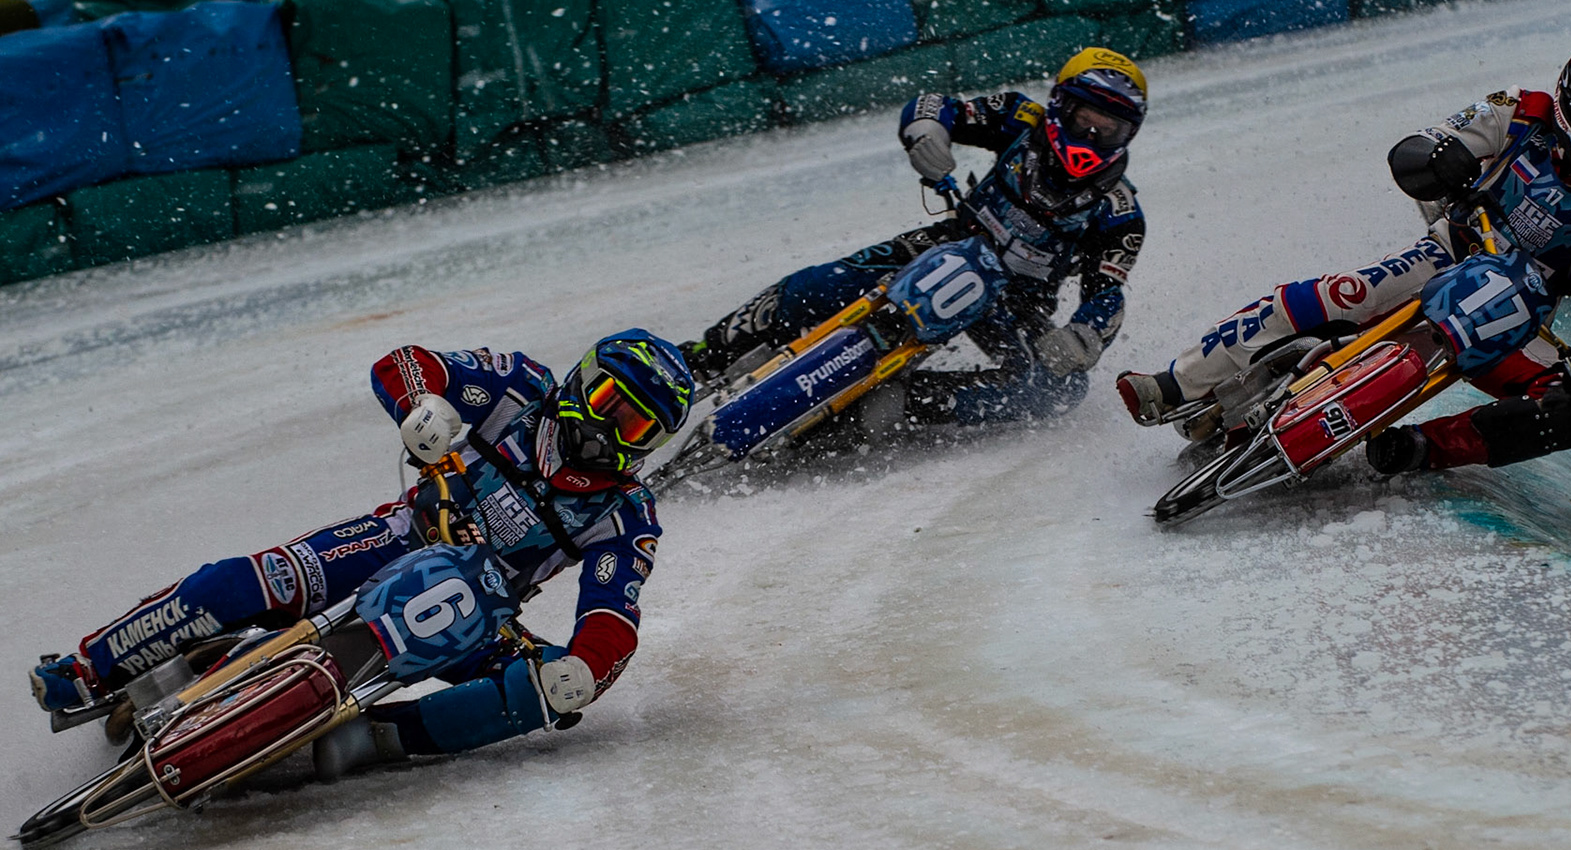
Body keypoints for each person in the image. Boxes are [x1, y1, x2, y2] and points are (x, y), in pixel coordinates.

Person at [29, 331, 693, 777]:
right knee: (239, 584)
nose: (610, 433)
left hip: (478, 614)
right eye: (610, 403)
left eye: (635, 427)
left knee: (552, 698)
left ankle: (377, 740)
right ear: (584, 381)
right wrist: (419, 407)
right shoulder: (518, 389)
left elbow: (614, 613)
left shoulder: (625, 512)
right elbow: (407, 363)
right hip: (397, 536)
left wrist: (588, 666)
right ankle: (89, 667)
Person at [1116, 34, 1571, 475]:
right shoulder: (1520, 110)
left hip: (1515, 323)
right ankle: (1174, 384)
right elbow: (1427, 143)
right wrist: (1437, 158)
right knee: (1346, 293)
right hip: (1448, 254)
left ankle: (1423, 450)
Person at [679, 48, 1149, 430]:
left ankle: (903, 404)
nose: (1093, 133)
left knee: (1055, 390)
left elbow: (1108, 291)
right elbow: (934, 105)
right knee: (814, 287)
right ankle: (703, 355)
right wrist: (929, 133)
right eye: (1086, 116)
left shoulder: (1121, 213)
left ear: (1130, 133)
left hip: (1016, 302)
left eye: (1111, 128)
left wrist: (1083, 336)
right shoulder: (1018, 117)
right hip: (947, 240)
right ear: (1060, 105)